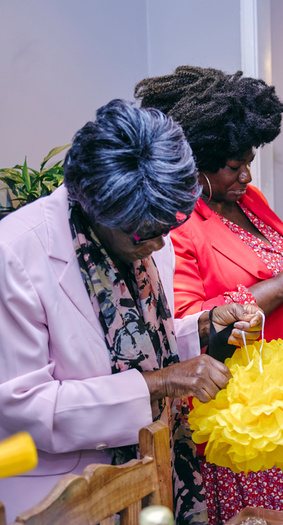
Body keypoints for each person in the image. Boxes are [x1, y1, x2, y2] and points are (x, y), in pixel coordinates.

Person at [0, 99, 263, 524]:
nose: (159, 245)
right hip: (67, 492)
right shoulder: (13, 254)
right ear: (96, 210)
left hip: (155, 468)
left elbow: (137, 338)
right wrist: (160, 383)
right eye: (147, 234)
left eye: (169, 227)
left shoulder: (145, 228)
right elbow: (26, 408)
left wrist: (200, 327)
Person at [134, 66, 283, 521]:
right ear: (197, 161)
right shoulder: (180, 225)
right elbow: (187, 321)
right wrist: (281, 286)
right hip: (242, 410)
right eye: (232, 165)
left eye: (249, 161)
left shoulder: (250, 199)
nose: (245, 175)